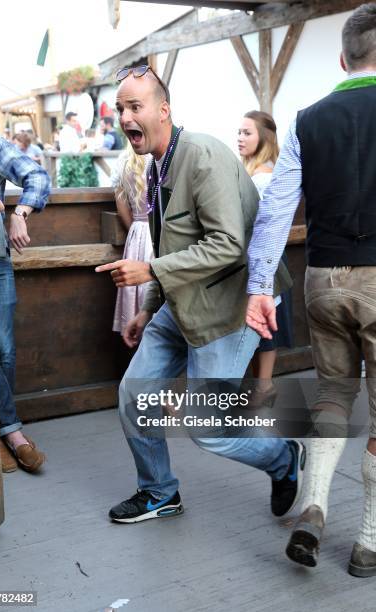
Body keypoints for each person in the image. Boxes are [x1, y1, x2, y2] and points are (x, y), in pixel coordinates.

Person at [95, 64, 305, 524]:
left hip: (232, 307)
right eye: (121, 108)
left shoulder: (203, 154)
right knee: (135, 396)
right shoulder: (157, 164)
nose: (126, 116)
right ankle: (158, 492)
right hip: (182, 303)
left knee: (208, 429)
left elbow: (229, 245)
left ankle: (284, 458)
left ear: (163, 110)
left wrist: (148, 271)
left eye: (136, 106)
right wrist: (149, 309)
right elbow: (173, 243)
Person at [245, 2, 376, 577]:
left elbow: (275, 213)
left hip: (322, 279)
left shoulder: (305, 118)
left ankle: (314, 508)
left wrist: (257, 288)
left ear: (343, 57)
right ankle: (370, 541)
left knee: (332, 396)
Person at [0, 114, 51, 474]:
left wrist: (22, 212)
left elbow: (37, 175)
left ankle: (2, 431)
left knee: (3, 348)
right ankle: (6, 434)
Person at [238, 111, 293, 407]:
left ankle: (264, 386)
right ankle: (258, 386)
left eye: (247, 132)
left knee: (266, 322)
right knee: (255, 324)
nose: (240, 138)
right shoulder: (251, 172)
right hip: (253, 255)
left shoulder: (264, 177)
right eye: (239, 132)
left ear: (264, 138)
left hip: (265, 256)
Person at [111, 144, 153, 335]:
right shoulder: (161, 159)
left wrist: (135, 229)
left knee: (137, 291)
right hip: (158, 232)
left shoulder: (122, 162)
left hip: (137, 233)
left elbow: (122, 209)